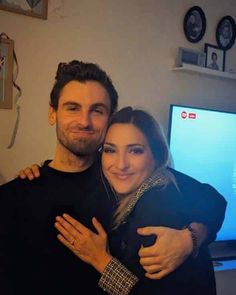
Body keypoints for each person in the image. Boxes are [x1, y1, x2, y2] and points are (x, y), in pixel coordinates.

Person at [5, 60, 225, 294]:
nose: (84, 121)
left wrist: (190, 238)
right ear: (52, 113)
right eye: (72, 108)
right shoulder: (15, 196)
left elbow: (213, 200)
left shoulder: (142, 186)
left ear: (109, 118)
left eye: (97, 110)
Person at [54, 107, 226, 295]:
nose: (120, 164)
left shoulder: (157, 207)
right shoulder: (162, 179)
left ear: (157, 155)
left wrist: (100, 259)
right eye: (110, 150)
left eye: (135, 151)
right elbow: (214, 198)